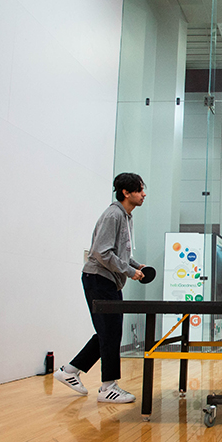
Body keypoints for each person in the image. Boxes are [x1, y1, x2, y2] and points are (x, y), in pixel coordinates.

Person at [53, 173, 147, 404]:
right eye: (139, 190)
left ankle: (70, 370)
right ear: (126, 192)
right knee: (111, 332)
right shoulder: (113, 215)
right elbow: (102, 252)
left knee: (109, 331)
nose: (144, 194)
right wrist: (128, 270)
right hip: (98, 279)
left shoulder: (126, 217)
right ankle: (108, 387)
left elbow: (119, 253)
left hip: (108, 280)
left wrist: (136, 265)